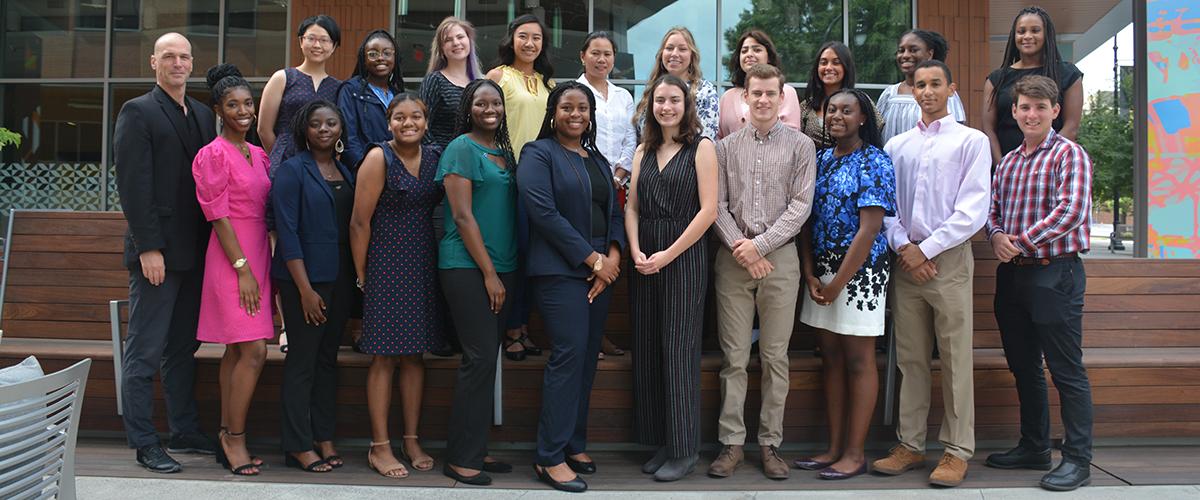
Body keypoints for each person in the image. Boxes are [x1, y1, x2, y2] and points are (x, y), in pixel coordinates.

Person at [873, 60, 990, 488]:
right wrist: (905, 246)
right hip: (906, 262)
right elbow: (885, 207)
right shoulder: (896, 146)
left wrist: (927, 249)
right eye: (920, 84)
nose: (926, 91)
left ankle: (957, 451)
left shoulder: (971, 141)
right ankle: (910, 443)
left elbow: (973, 208)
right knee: (911, 358)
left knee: (956, 359)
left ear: (951, 89)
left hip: (949, 261)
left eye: (935, 84)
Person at [114, 32, 217, 473]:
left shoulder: (201, 113)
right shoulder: (137, 111)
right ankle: (143, 441)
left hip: (194, 253)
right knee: (144, 349)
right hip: (157, 254)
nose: (177, 63)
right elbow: (133, 187)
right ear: (153, 62)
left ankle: (185, 429)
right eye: (169, 56)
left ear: (192, 63)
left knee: (182, 347)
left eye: (184, 57)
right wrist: (148, 248)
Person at [985, 75, 1094, 492]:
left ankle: (1078, 460)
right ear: (1014, 112)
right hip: (1012, 276)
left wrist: (1021, 242)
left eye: (1039, 108)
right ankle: (1034, 447)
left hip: (1055, 273)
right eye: (1024, 107)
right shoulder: (1009, 162)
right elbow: (992, 209)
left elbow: (1071, 210)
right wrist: (996, 236)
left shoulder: (1070, 155)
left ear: (1055, 112)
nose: (1031, 114)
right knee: (1024, 367)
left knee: (1066, 371)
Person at [708, 63, 816, 481]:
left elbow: (800, 206)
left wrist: (761, 246)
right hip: (733, 260)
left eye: (771, 93)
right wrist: (744, 248)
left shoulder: (801, 146)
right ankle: (731, 443)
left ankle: (771, 444)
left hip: (781, 260)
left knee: (775, 357)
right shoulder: (724, 147)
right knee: (733, 357)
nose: (764, 100)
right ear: (745, 98)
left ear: (782, 96)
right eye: (757, 93)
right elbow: (715, 206)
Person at [518, 81, 626, 493]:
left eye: (583, 108)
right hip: (559, 271)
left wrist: (612, 257)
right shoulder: (538, 153)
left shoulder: (596, 158)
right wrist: (592, 259)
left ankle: (573, 442)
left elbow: (613, 211)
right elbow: (542, 212)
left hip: (601, 271)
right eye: (567, 107)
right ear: (553, 112)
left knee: (586, 359)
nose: (576, 114)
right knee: (568, 354)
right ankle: (550, 456)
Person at [795, 89, 896, 480]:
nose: (837, 116)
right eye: (832, 110)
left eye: (846, 110)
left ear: (863, 119)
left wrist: (838, 283)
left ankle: (855, 453)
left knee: (858, 360)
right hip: (821, 273)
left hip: (859, 275)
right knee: (832, 360)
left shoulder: (874, 160)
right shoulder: (820, 159)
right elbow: (805, 217)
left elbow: (870, 229)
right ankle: (834, 448)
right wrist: (809, 271)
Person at [626, 74, 718, 482]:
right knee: (648, 348)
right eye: (660, 100)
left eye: (674, 100)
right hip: (645, 254)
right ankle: (662, 438)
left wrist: (668, 254)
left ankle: (685, 450)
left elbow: (709, 211)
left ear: (686, 105)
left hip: (682, 255)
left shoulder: (702, 148)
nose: (666, 107)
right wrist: (635, 250)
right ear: (651, 104)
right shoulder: (644, 149)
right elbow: (631, 207)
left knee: (678, 350)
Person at [350, 94, 444, 479]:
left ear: (426, 121)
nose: (409, 123)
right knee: (384, 357)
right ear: (388, 123)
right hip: (386, 264)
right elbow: (359, 222)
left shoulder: (437, 156)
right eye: (400, 117)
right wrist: (362, 275)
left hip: (423, 260)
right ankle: (379, 446)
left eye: (416, 116)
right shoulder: (378, 158)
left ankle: (410, 438)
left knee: (414, 356)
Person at [436, 79, 521, 487]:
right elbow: (463, 216)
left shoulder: (504, 152)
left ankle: (474, 447)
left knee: (488, 359)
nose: (490, 109)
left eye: (496, 103)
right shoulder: (461, 149)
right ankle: (460, 458)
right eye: (481, 103)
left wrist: (501, 271)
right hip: (468, 267)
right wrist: (488, 273)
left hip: (503, 268)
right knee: (480, 358)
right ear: (468, 109)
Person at [192, 63, 274, 476]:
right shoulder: (212, 154)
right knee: (255, 350)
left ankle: (226, 432)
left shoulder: (257, 152)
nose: (243, 110)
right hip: (232, 257)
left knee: (236, 350)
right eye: (233, 105)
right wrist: (242, 268)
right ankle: (235, 438)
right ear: (219, 111)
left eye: (248, 103)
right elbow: (218, 216)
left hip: (259, 252)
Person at [272, 99, 357, 473]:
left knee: (326, 360)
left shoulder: (346, 171)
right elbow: (287, 233)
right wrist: (304, 289)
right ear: (304, 130)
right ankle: (297, 444)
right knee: (302, 362)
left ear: (341, 129)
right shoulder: (292, 171)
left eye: (331, 123)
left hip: (340, 279)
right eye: (316, 124)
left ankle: (323, 436)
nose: (324, 129)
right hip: (304, 281)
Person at [486, 13, 553, 360]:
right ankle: (510, 328)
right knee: (510, 253)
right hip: (503, 176)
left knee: (530, 253)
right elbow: (481, 119)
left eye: (537, 38)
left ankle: (522, 326)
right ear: (511, 39)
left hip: (537, 177)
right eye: (523, 36)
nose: (530, 43)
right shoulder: (498, 76)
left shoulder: (548, 83)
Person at [576, 30, 637, 360]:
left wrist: (619, 174)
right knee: (586, 253)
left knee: (610, 249)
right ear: (582, 55)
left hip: (615, 186)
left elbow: (631, 138)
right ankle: (583, 333)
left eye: (608, 54)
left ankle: (598, 332)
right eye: (595, 53)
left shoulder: (623, 97)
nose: (601, 59)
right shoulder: (573, 92)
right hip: (581, 183)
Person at [983, 6, 1083, 163]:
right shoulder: (996, 79)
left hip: (1051, 165)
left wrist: (1040, 161)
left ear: (1046, 35)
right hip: (1006, 170)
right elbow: (989, 129)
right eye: (1021, 31)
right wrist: (1002, 166)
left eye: (1035, 30)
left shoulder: (1068, 74)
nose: (1027, 36)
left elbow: (1071, 126)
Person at [259, 15, 343, 172]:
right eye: (311, 38)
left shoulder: (339, 87)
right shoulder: (283, 78)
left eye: (324, 40)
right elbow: (264, 129)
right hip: (286, 161)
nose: (317, 45)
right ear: (301, 41)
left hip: (324, 165)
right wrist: (280, 156)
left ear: (333, 46)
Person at [876, 30, 967, 144]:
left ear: (929, 54)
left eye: (913, 50)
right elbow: (875, 132)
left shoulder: (943, 93)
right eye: (901, 50)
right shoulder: (889, 94)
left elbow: (957, 133)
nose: (905, 55)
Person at [338, 29, 405, 170]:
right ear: (364, 59)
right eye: (373, 54)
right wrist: (365, 167)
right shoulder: (351, 90)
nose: (381, 58)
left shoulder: (398, 94)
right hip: (366, 170)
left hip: (399, 171)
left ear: (395, 57)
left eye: (387, 53)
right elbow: (349, 139)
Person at [635, 27, 719, 139]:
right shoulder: (652, 89)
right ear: (662, 54)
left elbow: (705, 137)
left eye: (682, 49)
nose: (674, 54)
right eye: (669, 48)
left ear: (692, 55)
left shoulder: (705, 91)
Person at [717, 29, 802, 139]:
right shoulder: (727, 97)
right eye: (744, 51)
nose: (749, 55)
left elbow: (792, 136)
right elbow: (719, 138)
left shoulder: (786, 92)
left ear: (769, 57)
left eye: (757, 50)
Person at [798, 41, 883, 150]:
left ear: (846, 67)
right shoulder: (806, 106)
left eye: (836, 62)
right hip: (814, 164)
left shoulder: (861, 101)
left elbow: (875, 134)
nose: (828, 67)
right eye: (823, 62)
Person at [420, 16, 483, 149]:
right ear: (442, 49)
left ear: (469, 41)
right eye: (448, 40)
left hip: (475, 159)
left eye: (460, 37)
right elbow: (422, 125)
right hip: (443, 161)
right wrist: (438, 155)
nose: (456, 42)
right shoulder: (434, 81)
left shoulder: (481, 83)